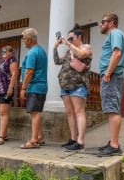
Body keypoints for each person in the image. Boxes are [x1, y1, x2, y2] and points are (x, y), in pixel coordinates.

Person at [53, 24, 92, 152]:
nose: (68, 41)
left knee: (79, 112)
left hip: (78, 85)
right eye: (68, 39)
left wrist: (69, 44)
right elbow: (57, 61)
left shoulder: (86, 47)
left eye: (71, 38)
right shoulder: (68, 51)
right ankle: (73, 139)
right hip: (65, 85)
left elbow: (81, 55)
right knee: (70, 113)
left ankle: (80, 142)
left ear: (79, 37)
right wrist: (55, 47)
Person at [97, 13, 124, 157]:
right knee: (111, 108)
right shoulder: (115, 34)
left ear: (111, 23)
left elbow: (117, 54)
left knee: (112, 108)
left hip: (112, 76)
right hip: (113, 75)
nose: (100, 24)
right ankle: (112, 142)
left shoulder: (115, 33)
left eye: (102, 22)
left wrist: (108, 73)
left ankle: (114, 145)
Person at [20, 28, 48, 149]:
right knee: (36, 112)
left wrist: (23, 88)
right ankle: (40, 137)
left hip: (35, 86)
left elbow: (29, 71)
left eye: (24, 39)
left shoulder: (32, 52)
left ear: (30, 39)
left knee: (34, 113)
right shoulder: (41, 51)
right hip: (40, 86)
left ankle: (33, 140)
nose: (23, 41)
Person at [0, 46, 18, 145]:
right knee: (1, 112)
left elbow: (14, 74)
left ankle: (1, 137)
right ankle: (5, 134)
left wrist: (10, 88)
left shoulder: (12, 60)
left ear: (11, 52)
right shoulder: (3, 62)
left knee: (3, 113)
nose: (3, 52)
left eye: (5, 51)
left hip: (5, 89)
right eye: (2, 51)